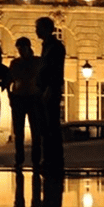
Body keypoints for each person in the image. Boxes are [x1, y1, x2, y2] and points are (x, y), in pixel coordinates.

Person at [35, 16, 66, 172]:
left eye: (38, 28)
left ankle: (53, 160)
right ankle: (49, 159)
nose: (36, 31)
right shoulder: (48, 46)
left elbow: (55, 70)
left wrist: (49, 88)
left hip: (50, 90)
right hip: (46, 89)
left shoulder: (55, 47)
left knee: (51, 126)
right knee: (47, 127)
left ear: (46, 29)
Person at [8, 37, 42, 168]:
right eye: (19, 49)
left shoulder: (37, 62)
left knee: (36, 132)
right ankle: (20, 159)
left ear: (28, 47)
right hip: (19, 98)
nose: (21, 51)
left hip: (33, 98)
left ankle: (36, 159)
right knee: (18, 132)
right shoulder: (15, 63)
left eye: (22, 48)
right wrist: (11, 96)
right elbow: (9, 80)